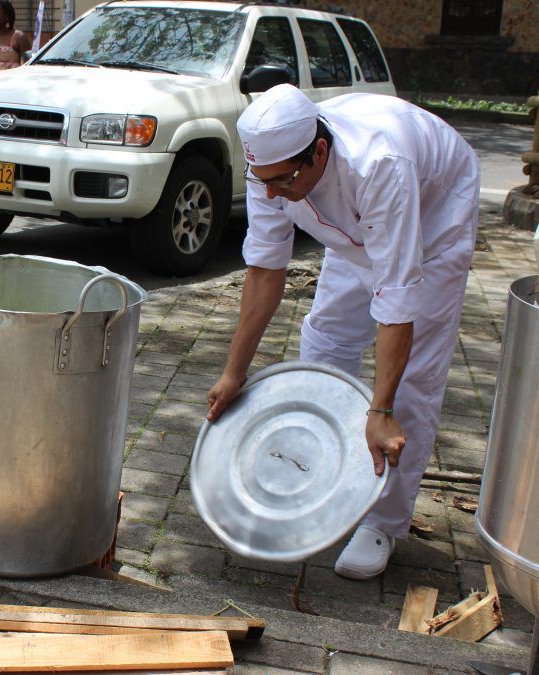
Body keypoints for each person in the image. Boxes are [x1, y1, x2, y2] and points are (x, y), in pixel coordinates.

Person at [205, 84, 479, 580]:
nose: (269, 193)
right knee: (325, 339)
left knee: (410, 381)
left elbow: (396, 298)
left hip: (435, 219)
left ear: (320, 152)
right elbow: (266, 270)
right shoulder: (274, 166)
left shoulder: (380, 164)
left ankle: (383, 521)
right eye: (259, 181)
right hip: (351, 225)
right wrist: (234, 373)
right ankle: (318, 477)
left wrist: (380, 409)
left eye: (280, 182)